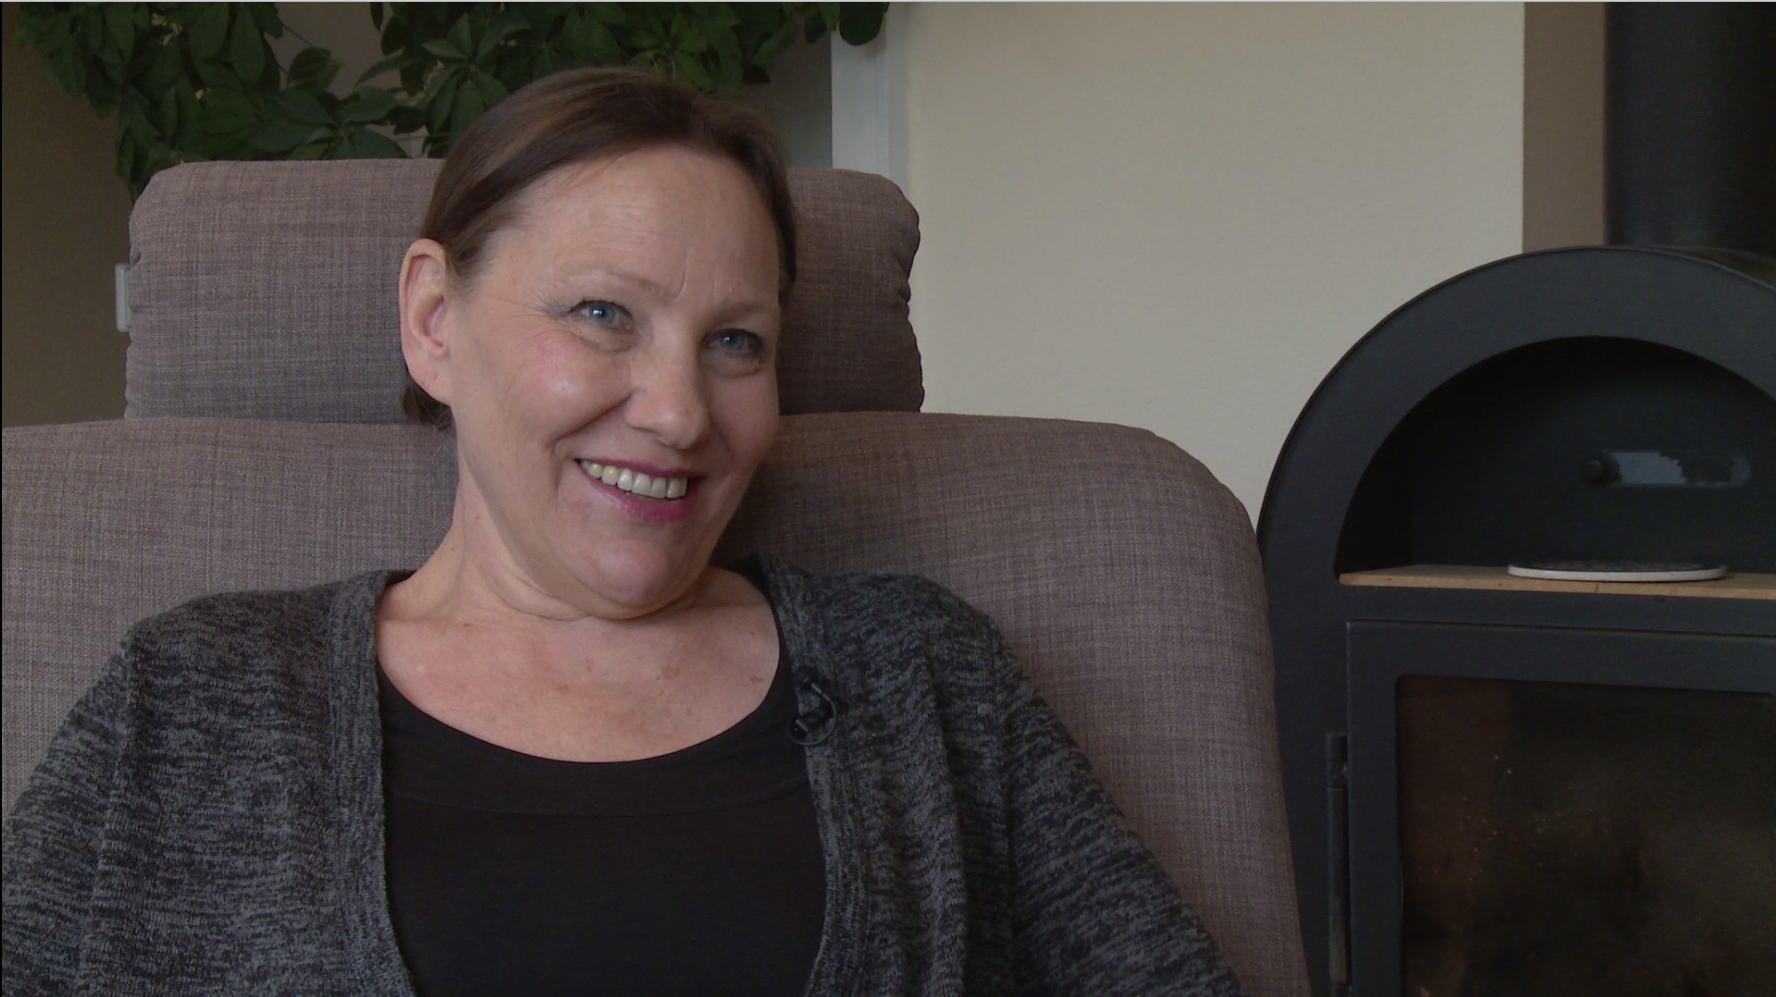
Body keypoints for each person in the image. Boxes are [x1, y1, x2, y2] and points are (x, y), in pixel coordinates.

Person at [2, 68, 1242, 996]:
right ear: (435, 319)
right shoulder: (191, 692)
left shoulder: (922, 673)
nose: (679, 411)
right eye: (603, 313)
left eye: (735, 341)